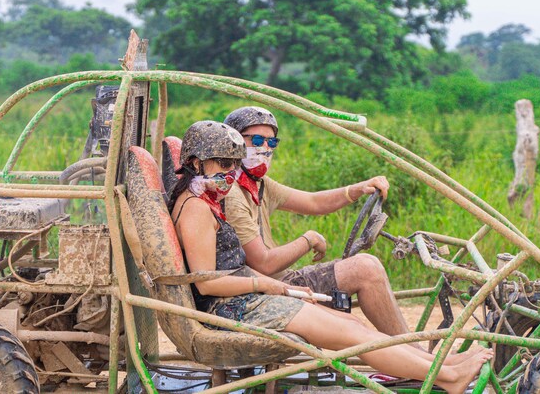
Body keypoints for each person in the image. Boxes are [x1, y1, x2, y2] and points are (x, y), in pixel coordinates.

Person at [169, 120, 492, 394]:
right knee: (352, 335)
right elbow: (207, 284)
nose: (231, 173)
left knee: (350, 323)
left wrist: (274, 287)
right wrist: (271, 286)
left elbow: (309, 201)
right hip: (234, 309)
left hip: (248, 300)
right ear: (197, 164)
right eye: (224, 164)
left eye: (235, 165)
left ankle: (439, 366)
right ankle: (449, 378)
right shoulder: (196, 209)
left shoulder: (206, 199)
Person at [223, 106, 408, 337]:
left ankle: (414, 356)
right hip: (264, 289)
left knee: (366, 268)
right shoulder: (231, 194)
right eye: (257, 140)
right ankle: (412, 355)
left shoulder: (258, 184)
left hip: (276, 281)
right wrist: (308, 239)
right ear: (234, 143)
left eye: (272, 143)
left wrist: (357, 189)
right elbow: (264, 264)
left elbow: (312, 202)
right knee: (366, 269)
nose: (265, 149)